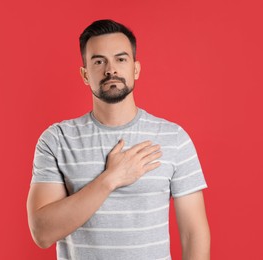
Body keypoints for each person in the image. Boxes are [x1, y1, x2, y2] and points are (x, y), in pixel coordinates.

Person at [27, 19, 210, 260]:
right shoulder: (57, 140)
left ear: (135, 69)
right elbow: (42, 233)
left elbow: (193, 233)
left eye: (120, 59)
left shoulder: (174, 138)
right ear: (84, 74)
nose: (110, 69)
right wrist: (110, 179)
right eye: (99, 61)